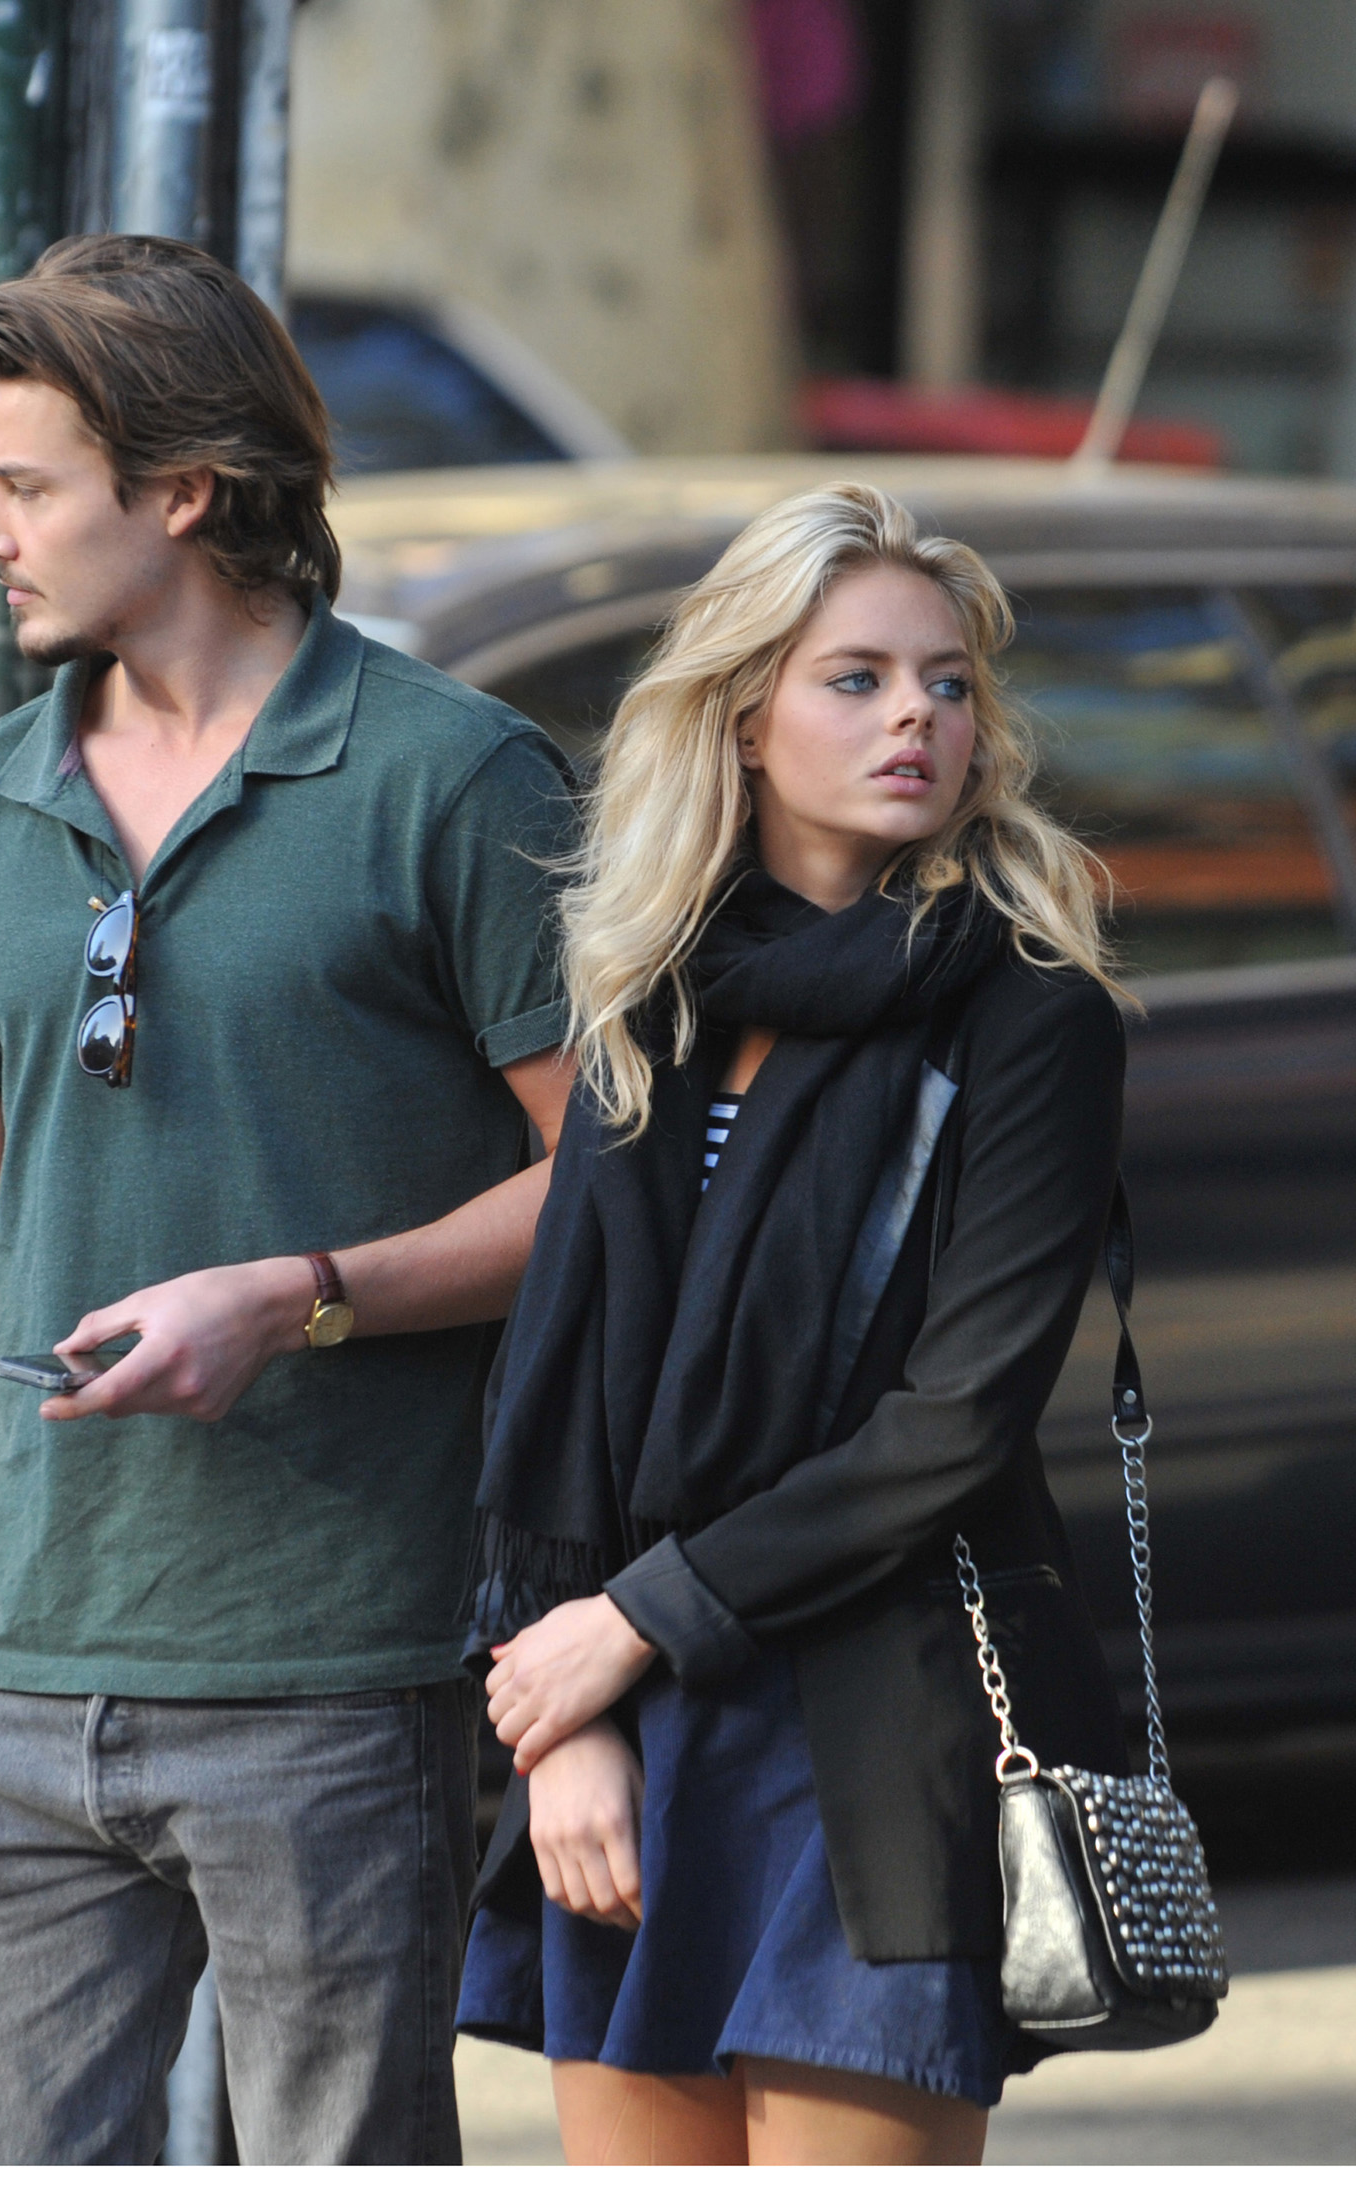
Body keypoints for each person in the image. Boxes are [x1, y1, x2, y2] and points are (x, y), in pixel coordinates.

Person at [0, 234, 576, 2166]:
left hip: (337, 1672)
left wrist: (299, 1295)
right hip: (11, 1678)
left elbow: (610, 1190)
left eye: (26, 488)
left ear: (183, 490)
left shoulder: (454, 781)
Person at [454, 482, 1132, 2165]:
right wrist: (565, 1720)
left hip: (873, 1729)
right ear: (744, 716)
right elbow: (562, 1384)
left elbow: (954, 1422)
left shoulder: (1026, 1006)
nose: (918, 716)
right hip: (630, 1720)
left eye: (949, 682)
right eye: (859, 678)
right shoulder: (652, 990)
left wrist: (635, 1621)